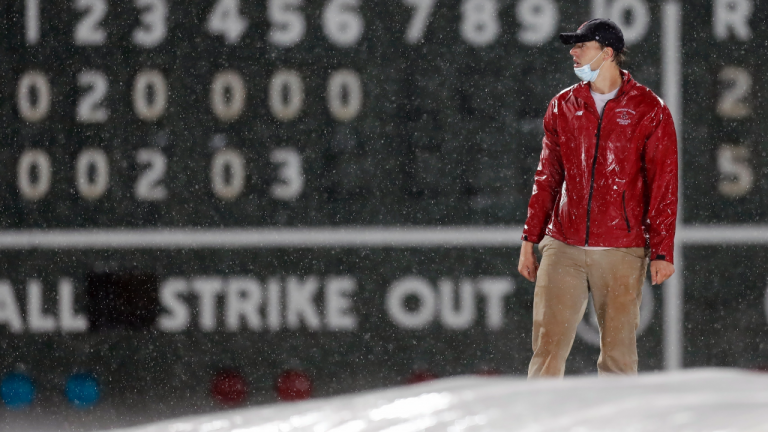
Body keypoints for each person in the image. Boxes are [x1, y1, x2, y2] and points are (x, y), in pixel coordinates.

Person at [517, 18, 678, 378]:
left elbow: (663, 183)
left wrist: (662, 250)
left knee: (619, 358)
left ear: (608, 53)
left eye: (582, 46)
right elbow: (547, 177)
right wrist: (530, 238)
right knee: (546, 351)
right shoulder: (562, 106)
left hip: (622, 248)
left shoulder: (649, 108)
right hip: (564, 243)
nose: (573, 53)